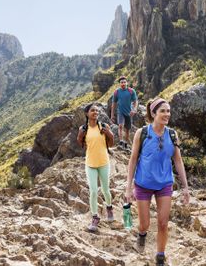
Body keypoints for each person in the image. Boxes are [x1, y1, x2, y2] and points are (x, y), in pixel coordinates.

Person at [125, 97, 190, 266]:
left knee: (163, 223)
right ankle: (142, 234)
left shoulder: (173, 134)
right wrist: (128, 188)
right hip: (143, 184)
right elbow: (132, 160)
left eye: (168, 111)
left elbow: (178, 161)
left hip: (164, 184)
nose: (167, 114)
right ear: (153, 113)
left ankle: (160, 256)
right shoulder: (142, 133)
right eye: (163, 111)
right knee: (144, 224)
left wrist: (185, 187)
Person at [77, 103, 115, 232]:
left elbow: (111, 143)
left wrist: (109, 133)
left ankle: (109, 208)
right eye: (92, 110)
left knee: (105, 190)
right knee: (93, 191)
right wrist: (80, 135)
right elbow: (80, 142)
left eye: (97, 111)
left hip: (104, 163)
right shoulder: (83, 128)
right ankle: (95, 217)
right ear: (87, 113)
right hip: (90, 164)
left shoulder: (104, 126)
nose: (95, 112)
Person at [110, 76, 138, 149]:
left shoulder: (131, 91)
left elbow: (135, 101)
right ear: (119, 84)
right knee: (120, 126)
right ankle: (121, 141)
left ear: (127, 83)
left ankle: (125, 142)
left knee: (127, 129)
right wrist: (112, 115)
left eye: (124, 82)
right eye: (121, 82)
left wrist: (134, 109)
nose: (123, 84)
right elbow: (113, 104)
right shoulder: (116, 92)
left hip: (129, 112)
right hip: (120, 112)